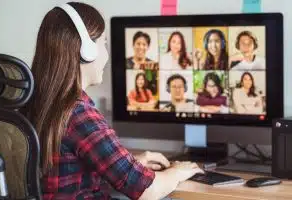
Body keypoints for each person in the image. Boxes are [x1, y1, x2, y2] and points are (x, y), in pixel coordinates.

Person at [22, 2, 203, 200]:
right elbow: (147, 190)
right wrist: (177, 171)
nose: (107, 54)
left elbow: (74, 166)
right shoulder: (79, 113)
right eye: (104, 43)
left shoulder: (36, 100)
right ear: (86, 51)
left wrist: (130, 163)